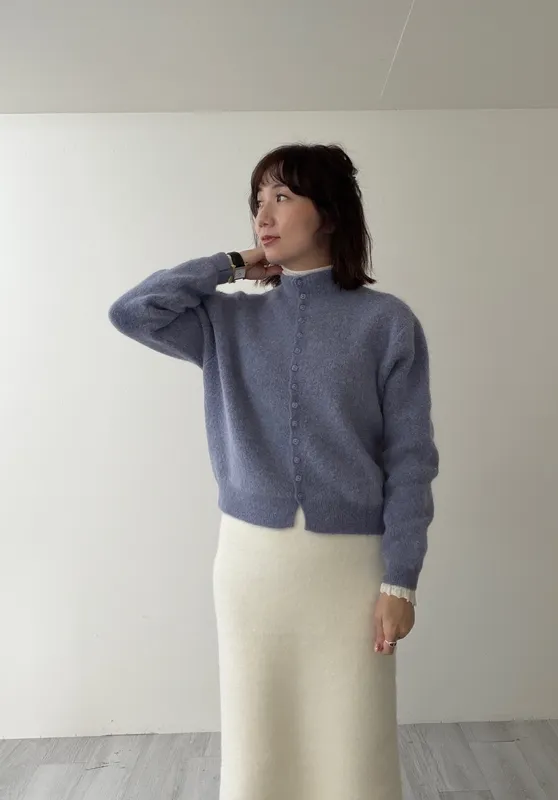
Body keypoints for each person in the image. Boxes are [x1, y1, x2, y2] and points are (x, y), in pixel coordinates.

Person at [108, 142, 439, 800]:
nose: (264, 214)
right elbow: (132, 311)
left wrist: (400, 582)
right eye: (258, 201)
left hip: (351, 570)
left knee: (354, 747)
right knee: (258, 744)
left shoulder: (387, 323)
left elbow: (410, 459)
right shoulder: (225, 319)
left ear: (330, 213)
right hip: (251, 567)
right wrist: (232, 264)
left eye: (283, 197)